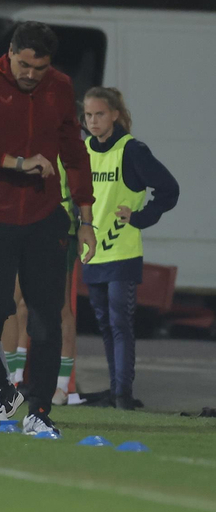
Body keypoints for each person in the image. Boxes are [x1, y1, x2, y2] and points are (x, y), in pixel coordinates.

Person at [0, 21, 95, 437]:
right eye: (24, 65)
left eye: (40, 68)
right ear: (10, 53)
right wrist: (15, 162)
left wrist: (86, 220)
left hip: (45, 215)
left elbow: (74, 154)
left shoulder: (60, 87)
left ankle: (40, 412)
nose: (31, 74)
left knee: (47, 318)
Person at [81, 87, 180, 410]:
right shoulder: (84, 150)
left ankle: (123, 394)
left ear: (115, 115)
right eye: (88, 115)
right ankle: (116, 390)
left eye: (99, 114)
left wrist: (140, 218)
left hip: (122, 251)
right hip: (92, 252)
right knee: (105, 324)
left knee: (119, 321)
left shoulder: (132, 150)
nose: (93, 121)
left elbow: (169, 189)